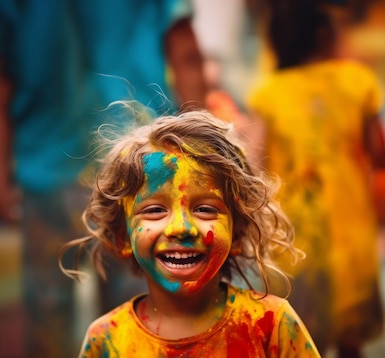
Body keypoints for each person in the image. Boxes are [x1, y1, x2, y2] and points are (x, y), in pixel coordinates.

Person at [0, 1, 206, 356]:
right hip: (141, 168)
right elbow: (184, 51)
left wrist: (2, 177)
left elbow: (3, 82)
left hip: (49, 164)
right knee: (140, 307)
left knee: (49, 308)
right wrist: (201, 154)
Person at [60, 110, 320, 357]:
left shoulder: (271, 325)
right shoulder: (106, 340)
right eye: (154, 210)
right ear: (123, 238)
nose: (181, 228)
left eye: (205, 209)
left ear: (238, 234)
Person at [245, 0, 385, 356]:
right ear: (324, 34)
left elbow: (254, 163)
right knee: (350, 331)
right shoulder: (359, 82)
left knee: (299, 327)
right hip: (349, 222)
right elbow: (379, 153)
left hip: (292, 228)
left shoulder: (269, 92)